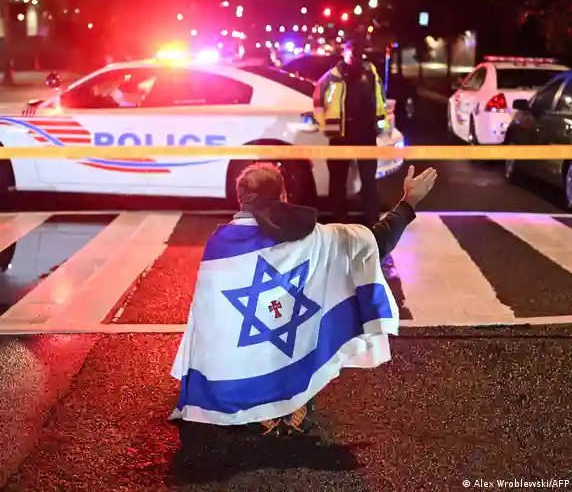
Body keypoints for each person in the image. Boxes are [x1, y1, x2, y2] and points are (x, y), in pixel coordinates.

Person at [170, 161, 437, 438]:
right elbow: (375, 241)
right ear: (284, 195)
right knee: (303, 324)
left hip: (240, 365)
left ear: (240, 200)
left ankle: (255, 407)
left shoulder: (220, 245)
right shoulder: (316, 237)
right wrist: (408, 202)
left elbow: (208, 319)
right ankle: (292, 404)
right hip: (293, 339)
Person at [313, 38, 390, 227]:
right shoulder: (333, 76)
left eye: (358, 53)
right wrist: (325, 126)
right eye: (352, 52)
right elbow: (317, 102)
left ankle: (371, 220)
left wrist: (381, 124)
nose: (355, 57)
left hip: (366, 134)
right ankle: (338, 220)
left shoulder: (370, 72)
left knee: (368, 180)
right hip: (340, 136)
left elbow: (380, 99)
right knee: (338, 181)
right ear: (344, 53)